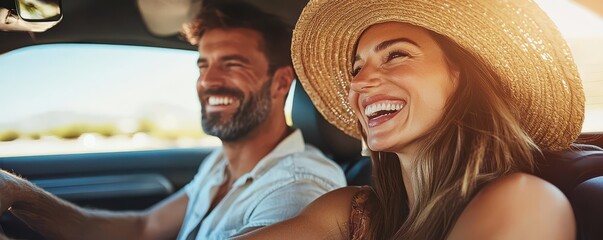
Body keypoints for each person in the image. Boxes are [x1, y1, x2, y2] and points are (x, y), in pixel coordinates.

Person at [235, 0, 584, 239]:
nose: (358, 82)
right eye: (356, 68)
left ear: (460, 76)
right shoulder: (352, 212)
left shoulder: (523, 202)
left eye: (396, 55)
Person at [0, 1, 346, 239]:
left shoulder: (300, 186)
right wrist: (19, 193)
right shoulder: (220, 164)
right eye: (203, 64)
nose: (209, 81)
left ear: (281, 83)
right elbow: (143, 229)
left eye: (232, 64)